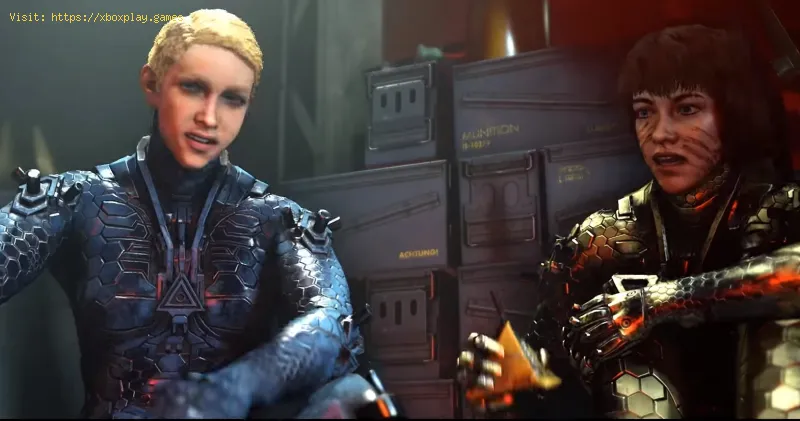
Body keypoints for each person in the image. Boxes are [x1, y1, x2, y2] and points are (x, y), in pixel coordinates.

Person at [0, 9, 379, 419]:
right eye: (194, 88)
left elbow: (330, 327)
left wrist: (237, 386)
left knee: (354, 397)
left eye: (232, 99)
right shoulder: (78, 199)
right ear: (152, 83)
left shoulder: (277, 219)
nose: (209, 118)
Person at [456, 24, 800, 419]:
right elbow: (546, 356)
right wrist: (513, 374)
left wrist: (658, 304)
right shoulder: (601, 239)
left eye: (687, 109)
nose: (660, 134)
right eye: (644, 112)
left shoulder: (776, 207)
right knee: (625, 357)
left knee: (783, 331)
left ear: (732, 114)